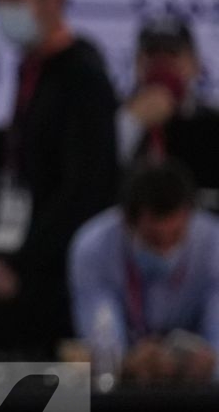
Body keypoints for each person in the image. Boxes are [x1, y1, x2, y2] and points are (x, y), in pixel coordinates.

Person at [0, 0, 118, 357]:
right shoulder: (32, 70)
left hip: (61, 275)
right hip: (30, 253)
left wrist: (22, 266)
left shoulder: (82, 76)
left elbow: (84, 190)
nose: (3, 9)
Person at [70, 160, 219, 384]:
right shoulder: (93, 246)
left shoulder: (213, 244)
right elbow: (100, 327)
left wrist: (210, 360)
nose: (166, 248)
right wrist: (125, 361)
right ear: (128, 223)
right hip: (128, 384)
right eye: (154, 239)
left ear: (189, 217)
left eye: (176, 235)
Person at [120, 13, 219, 189]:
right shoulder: (113, 119)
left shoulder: (211, 123)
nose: (162, 63)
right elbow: (95, 171)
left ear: (195, 64)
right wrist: (130, 122)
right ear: (136, 63)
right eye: (152, 53)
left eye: (172, 53)